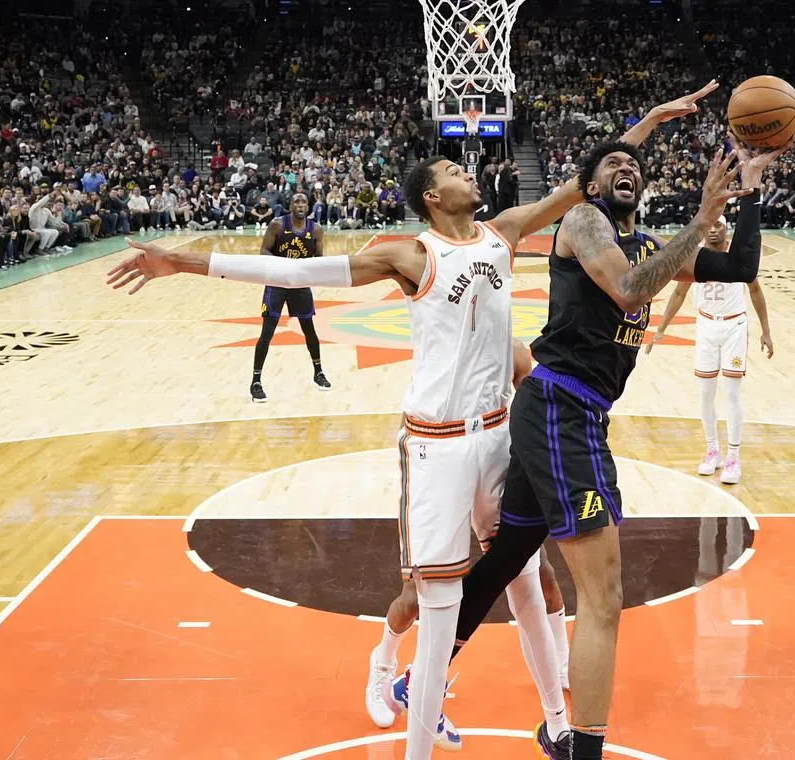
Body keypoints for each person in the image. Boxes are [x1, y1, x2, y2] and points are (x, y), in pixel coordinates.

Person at [106, 81, 722, 760]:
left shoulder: (504, 232)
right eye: (454, 169)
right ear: (433, 195)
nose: (468, 170)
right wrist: (184, 262)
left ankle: (557, 724)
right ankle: (405, 717)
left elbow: (592, 175)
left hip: (498, 436)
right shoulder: (410, 255)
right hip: (434, 450)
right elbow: (298, 266)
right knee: (431, 612)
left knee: (534, 582)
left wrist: (654, 120)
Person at [399, 140, 782, 760]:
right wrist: (704, 214)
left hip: (568, 415)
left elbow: (739, 267)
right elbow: (630, 291)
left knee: (504, 561)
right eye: (610, 163)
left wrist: (749, 195)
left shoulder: (653, 247)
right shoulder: (581, 222)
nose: (625, 166)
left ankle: (418, 678)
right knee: (604, 597)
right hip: (560, 409)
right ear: (592, 185)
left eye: (634, 163)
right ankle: (580, 751)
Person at [364, 339, 573, 731]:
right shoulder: (441, 352)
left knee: (532, 577)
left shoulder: (509, 349)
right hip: (442, 460)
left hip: (493, 453)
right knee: (417, 598)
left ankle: (557, 720)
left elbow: (530, 402)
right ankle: (384, 664)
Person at [646, 214, 773, 484]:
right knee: (705, 393)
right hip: (706, 326)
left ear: (728, 231)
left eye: (720, 226)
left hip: (734, 327)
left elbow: (756, 291)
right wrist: (660, 328)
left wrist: (766, 331)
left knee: (732, 393)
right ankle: (712, 449)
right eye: (710, 226)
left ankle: (734, 456)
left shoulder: (739, 258)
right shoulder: (695, 259)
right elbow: (679, 293)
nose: (714, 230)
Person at [251, 193, 331, 401]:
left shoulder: (316, 230)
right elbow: (263, 251)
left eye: (304, 202)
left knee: (309, 330)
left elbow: (319, 261)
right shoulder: (277, 225)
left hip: (300, 285)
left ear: (308, 206)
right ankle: (256, 381)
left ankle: (318, 372)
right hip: (277, 284)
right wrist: (284, 267)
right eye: (297, 201)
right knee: (267, 332)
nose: (301, 205)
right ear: (290, 205)